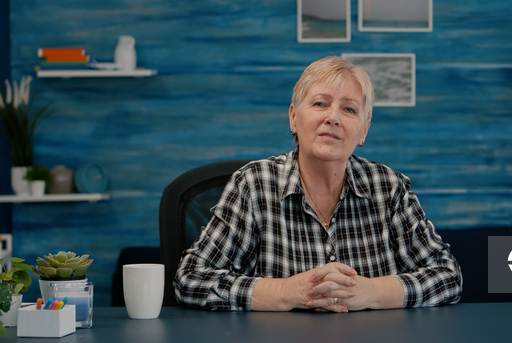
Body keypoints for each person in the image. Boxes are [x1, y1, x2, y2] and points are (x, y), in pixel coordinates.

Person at [174, 56, 462, 313]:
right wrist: (288, 293)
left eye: (349, 110)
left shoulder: (388, 187)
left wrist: (368, 292)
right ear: (293, 118)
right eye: (320, 103)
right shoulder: (254, 185)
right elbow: (191, 278)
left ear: (364, 129)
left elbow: (447, 275)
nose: (333, 118)